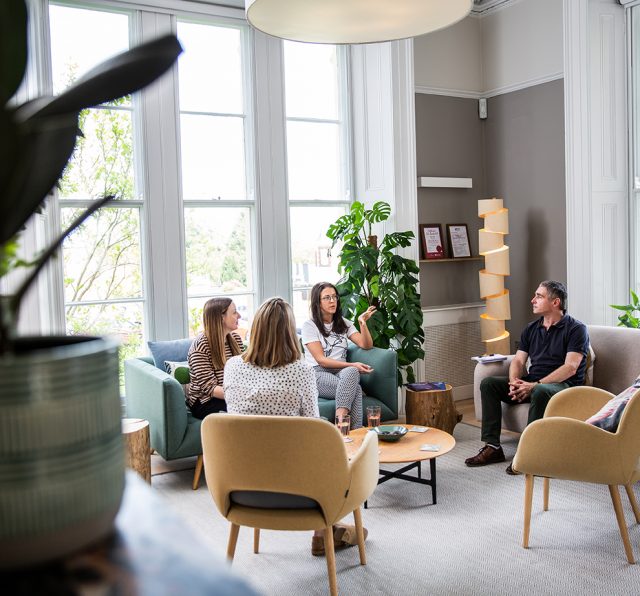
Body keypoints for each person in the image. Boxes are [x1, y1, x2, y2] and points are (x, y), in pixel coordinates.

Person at [224, 297, 367, 557]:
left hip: (241, 484)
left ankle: (329, 530)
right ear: (291, 333)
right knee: (332, 449)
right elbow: (313, 430)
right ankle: (323, 532)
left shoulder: (232, 367)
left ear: (255, 329)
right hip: (298, 490)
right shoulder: (300, 371)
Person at [465, 280, 589, 474]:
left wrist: (533, 385)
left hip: (564, 387)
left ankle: (529, 454)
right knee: (489, 384)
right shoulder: (532, 329)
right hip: (534, 383)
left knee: (539, 391)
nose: (533, 300)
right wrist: (515, 383)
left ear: (555, 302)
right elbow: (518, 361)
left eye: (539, 296)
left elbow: (570, 368)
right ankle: (493, 447)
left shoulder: (576, 329)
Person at [301, 282, 376, 429]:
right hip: (316, 373)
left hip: (340, 372)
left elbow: (366, 344)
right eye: (327, 298)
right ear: (317, 302)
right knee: (356, 388)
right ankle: (351, 429)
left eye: (334, 297)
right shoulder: (309, 326)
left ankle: (342, 427)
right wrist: (352, 364)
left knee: (352, 372)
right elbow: (321, 360)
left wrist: (362, 323)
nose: (332, 301)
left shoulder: (343, 323)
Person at [186, 297, 243, 420]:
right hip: (205, 402)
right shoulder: (200, 347)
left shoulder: (236, 340)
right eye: (234, 312)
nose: (239, 315)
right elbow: (210, 388)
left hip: (230, 394)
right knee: (248, 410)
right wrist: (242, 395)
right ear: (221, 317)